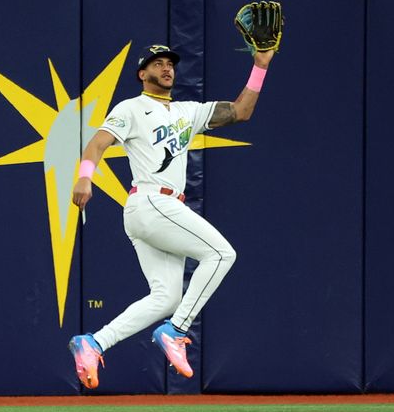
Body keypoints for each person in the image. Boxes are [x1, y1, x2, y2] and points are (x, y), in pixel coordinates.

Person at [69, 43, 274, 389]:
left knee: (166, 297)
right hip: (152, 202)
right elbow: (98, 143)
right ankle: (177, 329)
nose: (166, 68)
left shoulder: (187, 112)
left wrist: (261, 65)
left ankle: (94, 343)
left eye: (170, 64)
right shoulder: (132, 108)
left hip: (155, 210)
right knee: (222, 254)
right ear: (142, 74)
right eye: (157, 64)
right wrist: (84, 176)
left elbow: (241, 111)